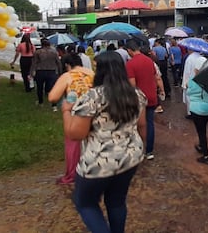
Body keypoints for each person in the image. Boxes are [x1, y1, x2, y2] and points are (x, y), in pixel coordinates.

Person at [66, 52, 147, 233]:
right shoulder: (136, 94)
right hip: (130, 158)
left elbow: (75, 134)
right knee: (117, 201)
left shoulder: (92, 97)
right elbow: (142, 125)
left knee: (85, 203)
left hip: (98, 162)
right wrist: (140, 150)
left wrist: (66, 111)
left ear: (100, 70)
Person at [48, 53, 94, 185]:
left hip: (76, 115)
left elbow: (52, 97)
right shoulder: (91, 73)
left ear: (67, 65)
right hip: (94, 112)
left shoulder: (67, 76)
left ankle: (72, 174)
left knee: (73, 144)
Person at [125, 40, 164, 160]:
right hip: (151, 96)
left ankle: (140, 149)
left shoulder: (130, 64)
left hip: (139, 99)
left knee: (139, 124)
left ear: (130, 51)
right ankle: (149, 151)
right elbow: (155, 77)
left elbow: (132, 85)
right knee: (150, 123)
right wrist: (161, 91)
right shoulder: (149, 61)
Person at [186, 77, 208, 164]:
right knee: (203, 128)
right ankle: (201, 146)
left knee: (201, 132)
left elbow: (188, 91)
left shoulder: (192, 80)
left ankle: (206, 156)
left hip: (197, 109)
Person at [31, 38, 62, 111]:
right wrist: (60, 73)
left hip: (40, 71)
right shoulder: (54, 53)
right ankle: (54, 105)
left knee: (40, 88)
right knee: (52, 89)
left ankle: (41, 102)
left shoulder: (38, 52)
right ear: (49, 45)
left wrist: (32, 72)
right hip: (51, 71)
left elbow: (34, 63)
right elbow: (58, 63)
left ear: (42, 45)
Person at [182, 48, 207, 118]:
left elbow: (187, 72)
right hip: (200, 82)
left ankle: (192, 113)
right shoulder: (202, 58)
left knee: (190, 98)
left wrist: (185, 83)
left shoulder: (189, 58)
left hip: (190, 82)